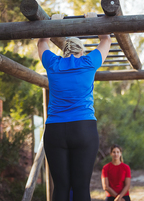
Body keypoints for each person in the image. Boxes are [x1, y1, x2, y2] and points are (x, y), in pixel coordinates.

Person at [37, 12, 111, 201]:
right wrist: (93, 20)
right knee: (81, 188)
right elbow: (106, 38)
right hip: (83, 129)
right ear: (81, 51)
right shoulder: (88, 62)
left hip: (55, 130)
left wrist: (52, 23)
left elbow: (41, 43)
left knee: (61, 187)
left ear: (64, 50)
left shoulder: (53, 63)